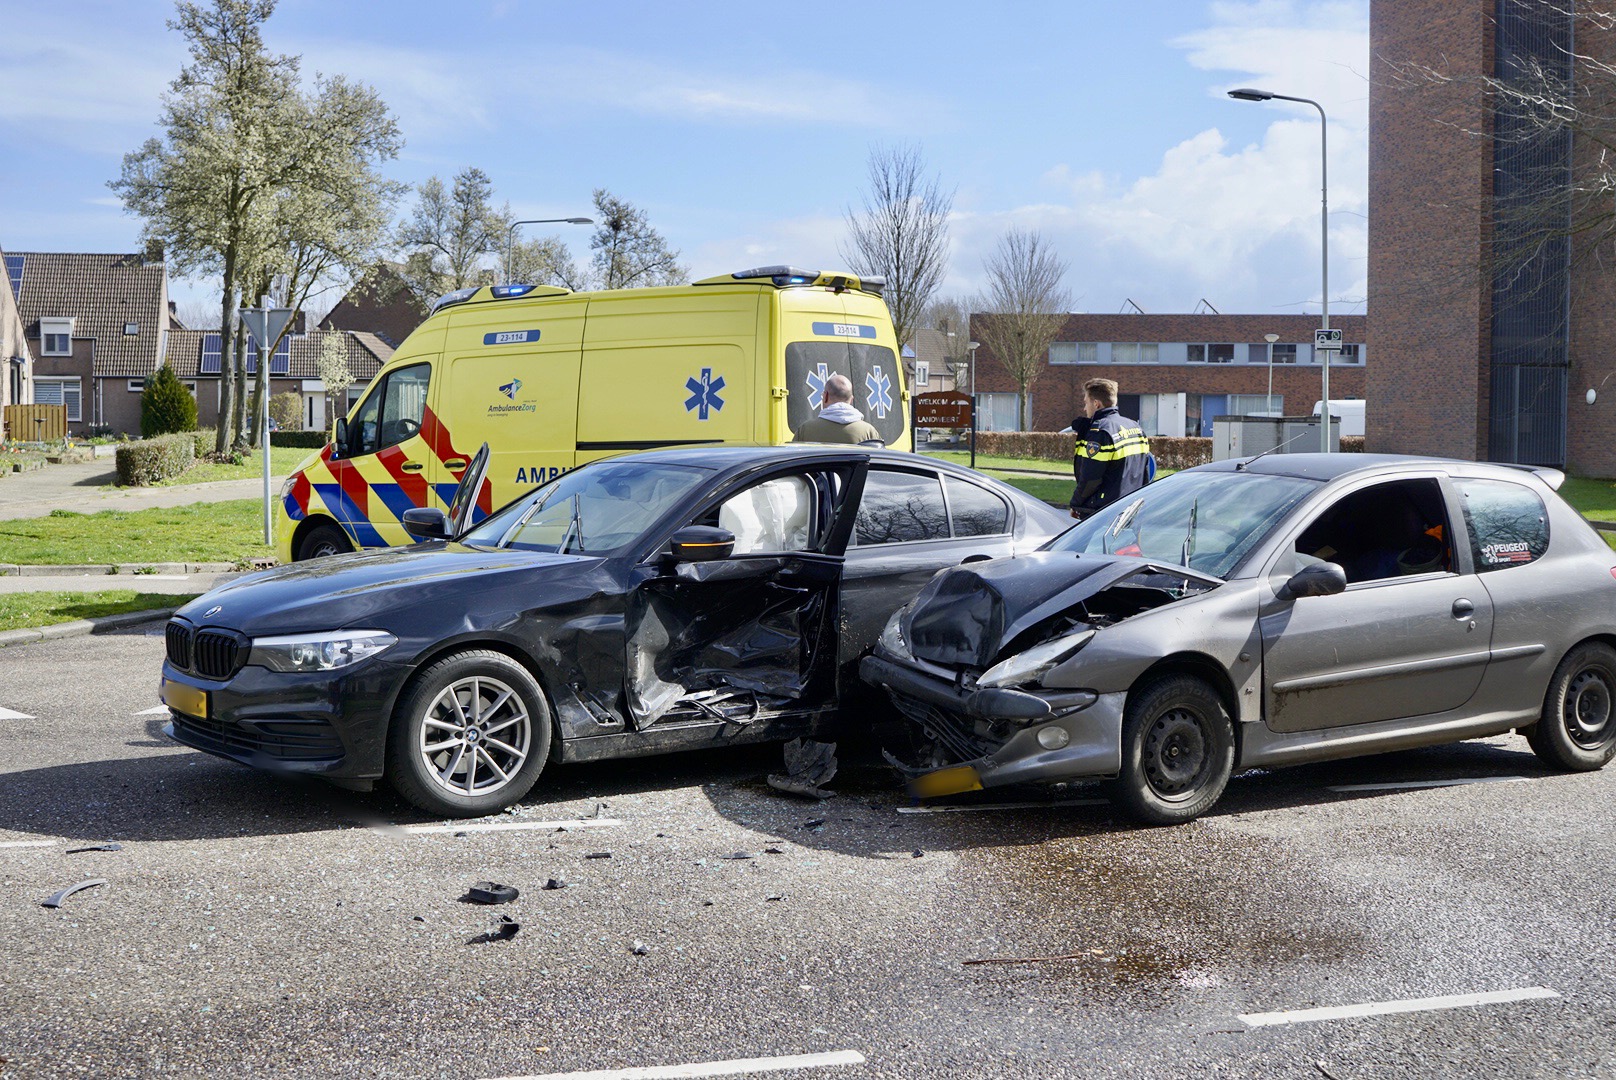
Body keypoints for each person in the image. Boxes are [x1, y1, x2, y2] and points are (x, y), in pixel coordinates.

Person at [1070, 378, 1150, 519]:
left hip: (1106, 513)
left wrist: (1076, 504)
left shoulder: (1100, 432)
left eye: (1086, 402)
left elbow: (1091, 478)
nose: (1084, 408)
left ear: (1096, 404)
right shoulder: (1135, 428)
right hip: (1132, 509)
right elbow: (1145, 472)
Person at [793, 373, 882, 444]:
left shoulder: (806, 430)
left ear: (825, 396)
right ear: (851, 400)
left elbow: (792, 460)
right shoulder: (869, 432)